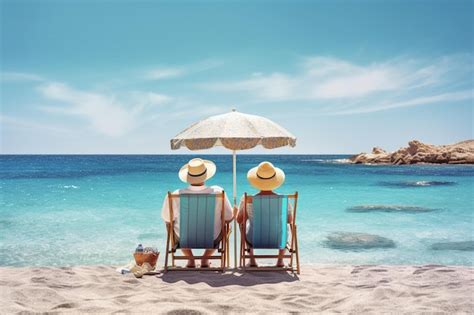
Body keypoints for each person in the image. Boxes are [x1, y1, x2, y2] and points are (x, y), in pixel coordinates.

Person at [161, 158, 233, 268]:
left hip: (184, 239)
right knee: (227, 226)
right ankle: (205, 258)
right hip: (212, 239)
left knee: (171, 225)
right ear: (206, 175)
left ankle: (190, 260)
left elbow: (167, 218)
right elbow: (229, 217)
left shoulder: (175, 195)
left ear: (188, 177)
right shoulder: (218, 192)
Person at [236, 161, 293, 267]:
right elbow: (289, 220)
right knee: (286, 227)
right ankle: (280, 261)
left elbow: (239, 220)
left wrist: (238, 212)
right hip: (278, 239)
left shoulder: (248, 200)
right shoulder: (283, 200)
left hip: (254, 239)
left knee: (243, 225)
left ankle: (252, 260)